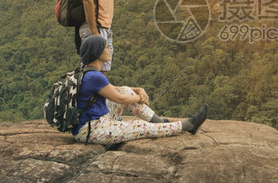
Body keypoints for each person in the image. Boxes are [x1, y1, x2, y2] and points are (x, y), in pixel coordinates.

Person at [72, 35, 207, 144]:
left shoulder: (88, 73)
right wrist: (139, 97)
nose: (109, 50)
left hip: (97, 123)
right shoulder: (94, 76)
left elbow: (114, 90)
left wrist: (138, 90)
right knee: (141, 127)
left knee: (125, 90)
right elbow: (119, 99)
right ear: (97, 51)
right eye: (106, 47)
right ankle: (187, 125)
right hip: (92, 131)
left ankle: (158, 122)